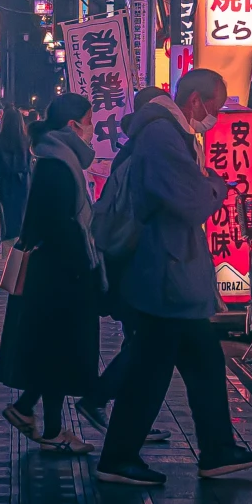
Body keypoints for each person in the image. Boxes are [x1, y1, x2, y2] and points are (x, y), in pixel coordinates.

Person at [95, 68, 252, 486]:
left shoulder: (167, 133)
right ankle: (119, 457)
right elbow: (190, 203)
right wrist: (215, 186)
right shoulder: (163, 136)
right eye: (216, 106)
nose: (216, 115)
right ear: (195, 101)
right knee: (150, 372)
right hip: (165, 272)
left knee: (203, 361)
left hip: (171, 271)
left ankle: (217, 449)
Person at [0, 94, 104, 450]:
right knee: (58, 351)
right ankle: (48, 426)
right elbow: (60, 224)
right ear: (73, 125)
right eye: (88, 121)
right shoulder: (57, 165)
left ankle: (32, 413)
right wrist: (84, 266)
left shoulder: (57, 159)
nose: (92, 129)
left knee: (54, 351)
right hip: (59, 275)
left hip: (56, 274)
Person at [78, 85, 175, 432]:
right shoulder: (145, 151)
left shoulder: (136, 147)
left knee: (142, 342)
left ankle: (126, 420)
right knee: (145, 343)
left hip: (128, 262)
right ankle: (103, 402)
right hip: (134, 263)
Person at [0, 105, 32, 243]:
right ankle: (21, 256)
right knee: (22, 221)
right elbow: (31, 166)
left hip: (5, 185)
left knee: (7, 223)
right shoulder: (27, 142)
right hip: (24, 184)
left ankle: (9, 257)